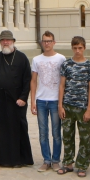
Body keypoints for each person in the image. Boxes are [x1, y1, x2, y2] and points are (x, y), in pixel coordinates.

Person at [0, 30, 34, 167]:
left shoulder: (22, 58)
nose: (5, 42)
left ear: (13, 42)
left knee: (18, 129)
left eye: (8, 40)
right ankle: (2, 159)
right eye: (3, 40)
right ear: (0, 42)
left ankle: (19, 160)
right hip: (0, 101)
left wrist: (23, 98)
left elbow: (27, 80)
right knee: (1, 130)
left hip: (16, 101)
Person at [57, 36, 90, 177]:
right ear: (72, 48)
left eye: (80, 48)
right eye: (75, 48)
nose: (77, 50)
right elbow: (62, 85)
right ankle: (68, 163)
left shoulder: (89, 66)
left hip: (82, 107)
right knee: (67, 136)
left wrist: (89, 109)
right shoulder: (66, 64)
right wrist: (60, 105)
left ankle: (82, 164)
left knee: (84, 137)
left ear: (84, 48)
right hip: (67, 106)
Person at [30, 31, 66, 172]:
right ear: (41, 43)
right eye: (44, 41)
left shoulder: (61, 59)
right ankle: (46, 160)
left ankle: (56, 160)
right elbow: (33, 81)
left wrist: (61, 103)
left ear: (54, 42)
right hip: (41, 100)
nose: (47, 43)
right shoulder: (36, 60)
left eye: (49, 41)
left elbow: (64, 81)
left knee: (56, 132)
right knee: (43, 132)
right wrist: (33, 100)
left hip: (55, 100)